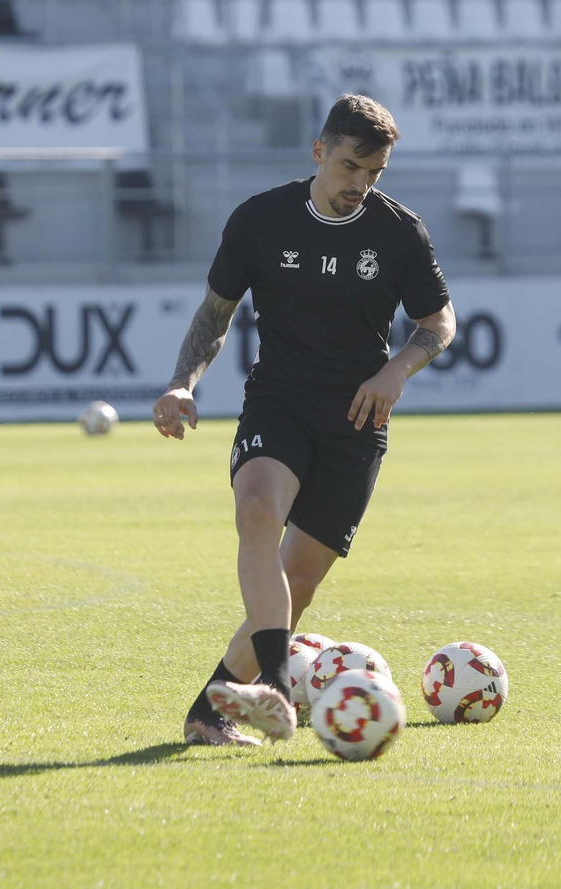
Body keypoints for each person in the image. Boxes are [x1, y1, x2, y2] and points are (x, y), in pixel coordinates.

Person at [152, 95, 456, 746]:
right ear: (319, 152)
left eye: (374, 174)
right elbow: (215, 314)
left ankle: (207, 712)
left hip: (357, 416)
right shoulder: (261, 221)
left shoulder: (399, 231)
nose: (360, 185)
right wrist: (182, 383)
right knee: (257, 508)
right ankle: (279, 687)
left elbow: (438, 322)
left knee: (298, 581)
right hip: (280, 399)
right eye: (350, 167)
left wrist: (397, 368)